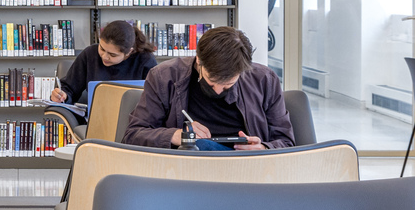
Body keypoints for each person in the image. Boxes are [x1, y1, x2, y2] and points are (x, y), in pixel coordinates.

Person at [125, 27, 293, 150]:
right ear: (199, 60)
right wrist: (175, 135)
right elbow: (133, 135)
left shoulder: (265, 79)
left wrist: (263, 148)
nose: (218, 90)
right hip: (186, 168)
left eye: (228, 85)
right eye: (211, 82)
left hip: (246, 167)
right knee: (202, 146)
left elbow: (286, 142)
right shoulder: (164, 76)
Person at [49, 20, 158, 105]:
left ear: (129, 52)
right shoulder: (90, 54)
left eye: (112, 55)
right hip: (96, 118)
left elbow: (155, 99)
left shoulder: (145, 61)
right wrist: (62, 96)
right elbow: (69, 88)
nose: (104, 57)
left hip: (134, 120)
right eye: (102, 48)